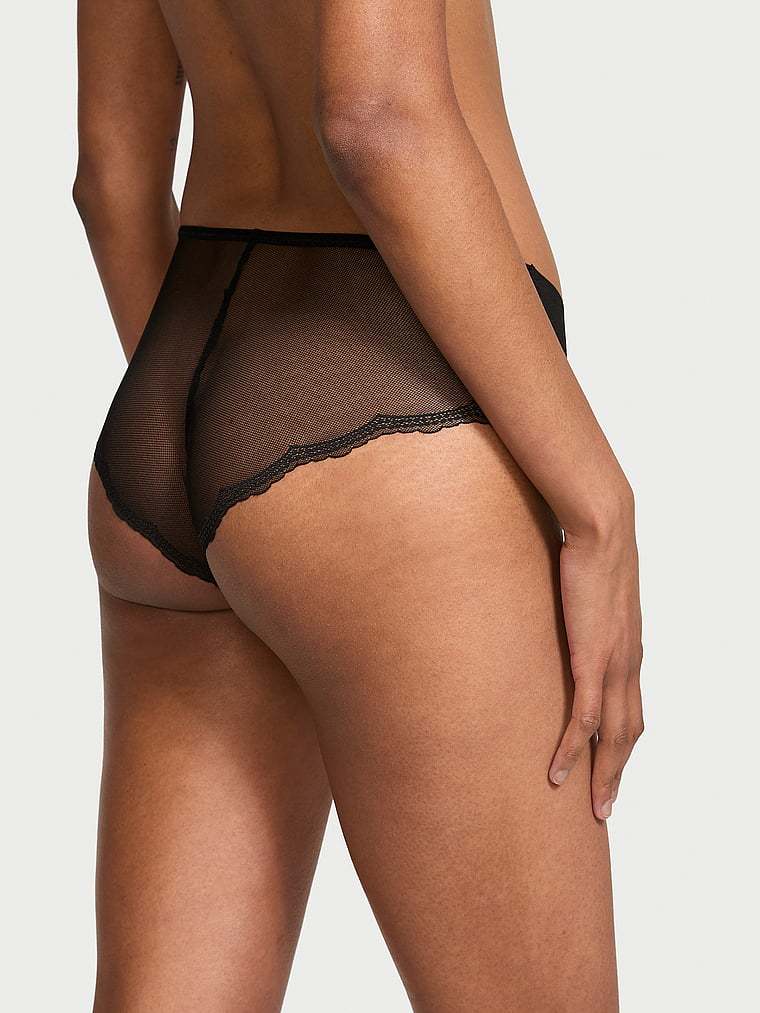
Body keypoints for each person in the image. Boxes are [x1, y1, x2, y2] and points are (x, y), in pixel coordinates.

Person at [75, 1, 643, 1009]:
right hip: (393, 406)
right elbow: (375, 114)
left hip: (174, 388)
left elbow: (111, 174)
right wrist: (598, 502)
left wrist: (223, 439)